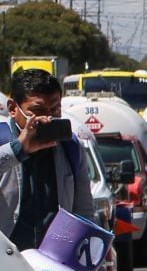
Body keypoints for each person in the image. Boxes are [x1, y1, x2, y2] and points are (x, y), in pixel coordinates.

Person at [0, 67, 87, 248]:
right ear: (13, 109)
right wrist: (18, 149)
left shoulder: (70, 147)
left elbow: (84, 213)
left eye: (55, 110)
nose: (47, 119)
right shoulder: (2, 140)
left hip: (52, 264)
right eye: (37, 111)